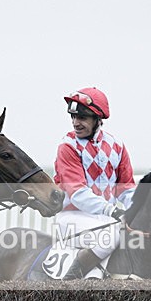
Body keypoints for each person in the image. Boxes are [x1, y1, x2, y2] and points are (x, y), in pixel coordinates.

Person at [53, 87, 136, 280]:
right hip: (72, 218)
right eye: (73, 117)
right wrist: (115, 211)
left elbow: (126, 188)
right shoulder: (67, 147)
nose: (76, 123)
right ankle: (69, 283)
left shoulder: (117, 145)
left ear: (98, 119)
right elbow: (78, 193)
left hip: (105, 220)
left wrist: (134, 212)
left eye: (82, 118)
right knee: (112, 236)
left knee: (132, 234)